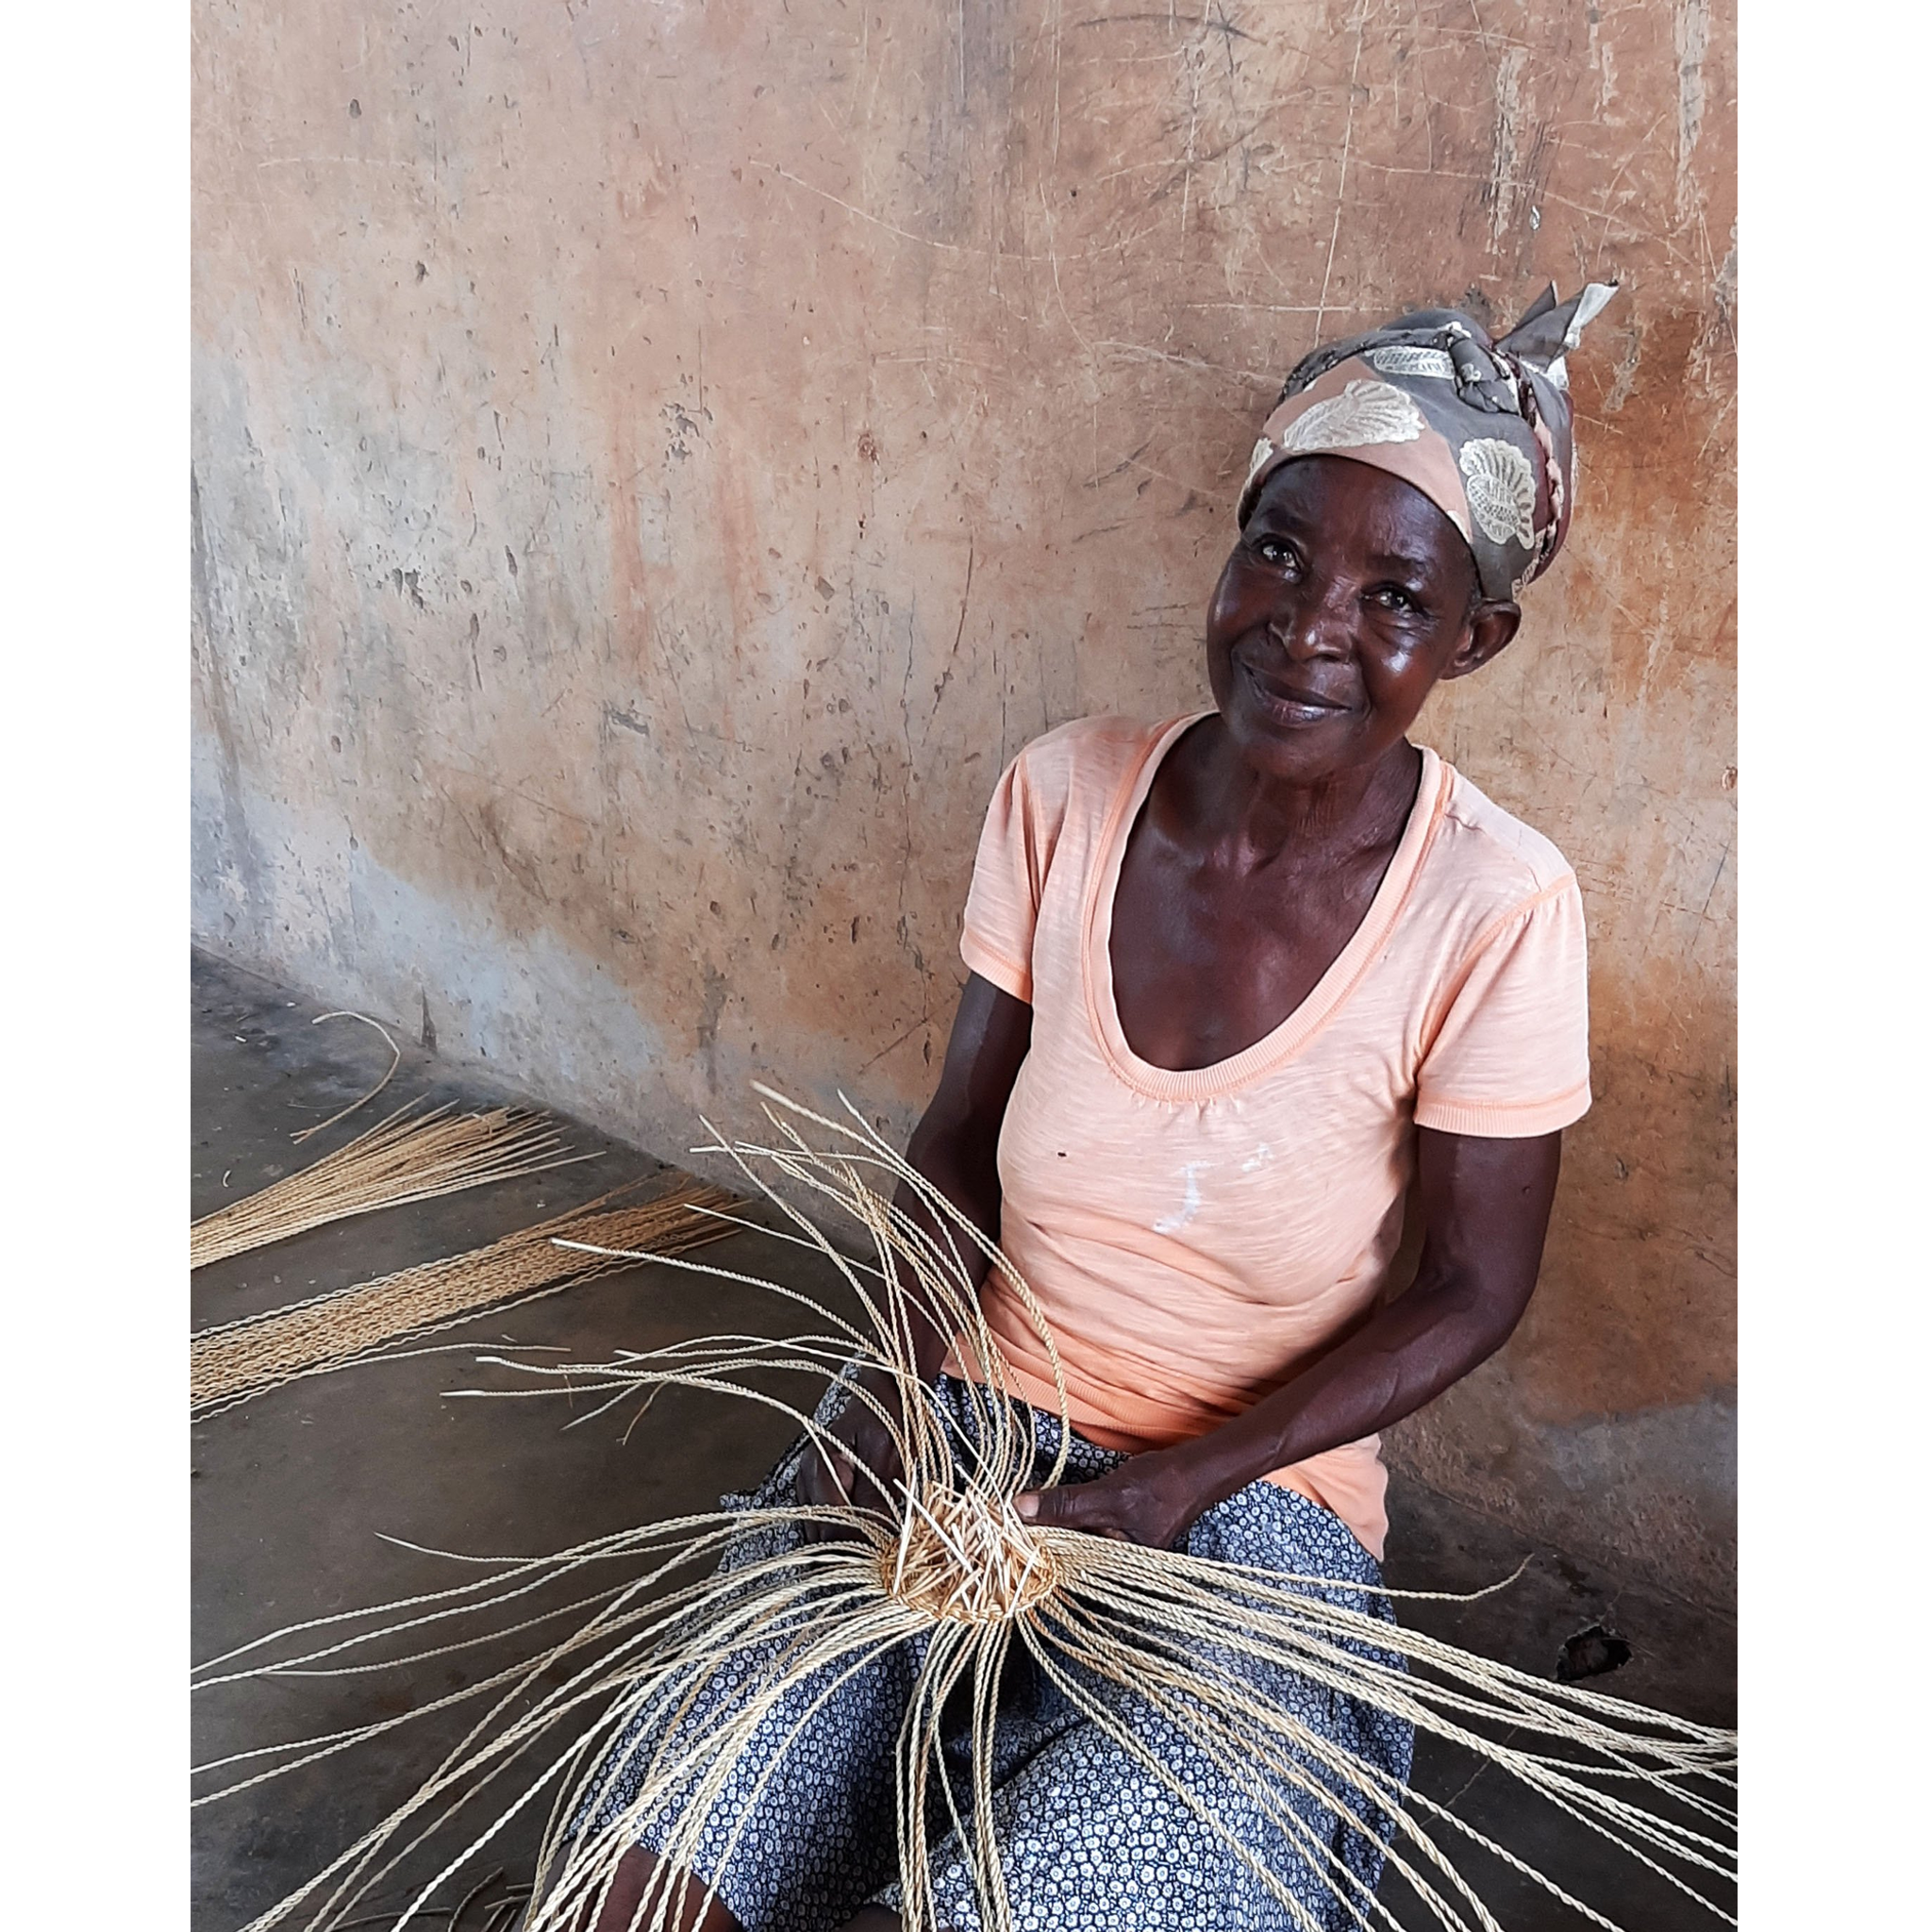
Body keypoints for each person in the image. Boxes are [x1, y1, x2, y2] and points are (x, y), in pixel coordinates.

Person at [579, 282, 1617, 1932]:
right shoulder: (1063, 791)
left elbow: (1471, 1288)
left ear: (1470, 641)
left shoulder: (1498, 904)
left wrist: (1175, 1486)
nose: (1309, 627)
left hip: (1253, 1498)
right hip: (965, 1423)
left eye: (1394, 597)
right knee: (658, 1861)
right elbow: (958, 1141)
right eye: (1278, 553)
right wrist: (894, 1380)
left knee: (1055, 1882)